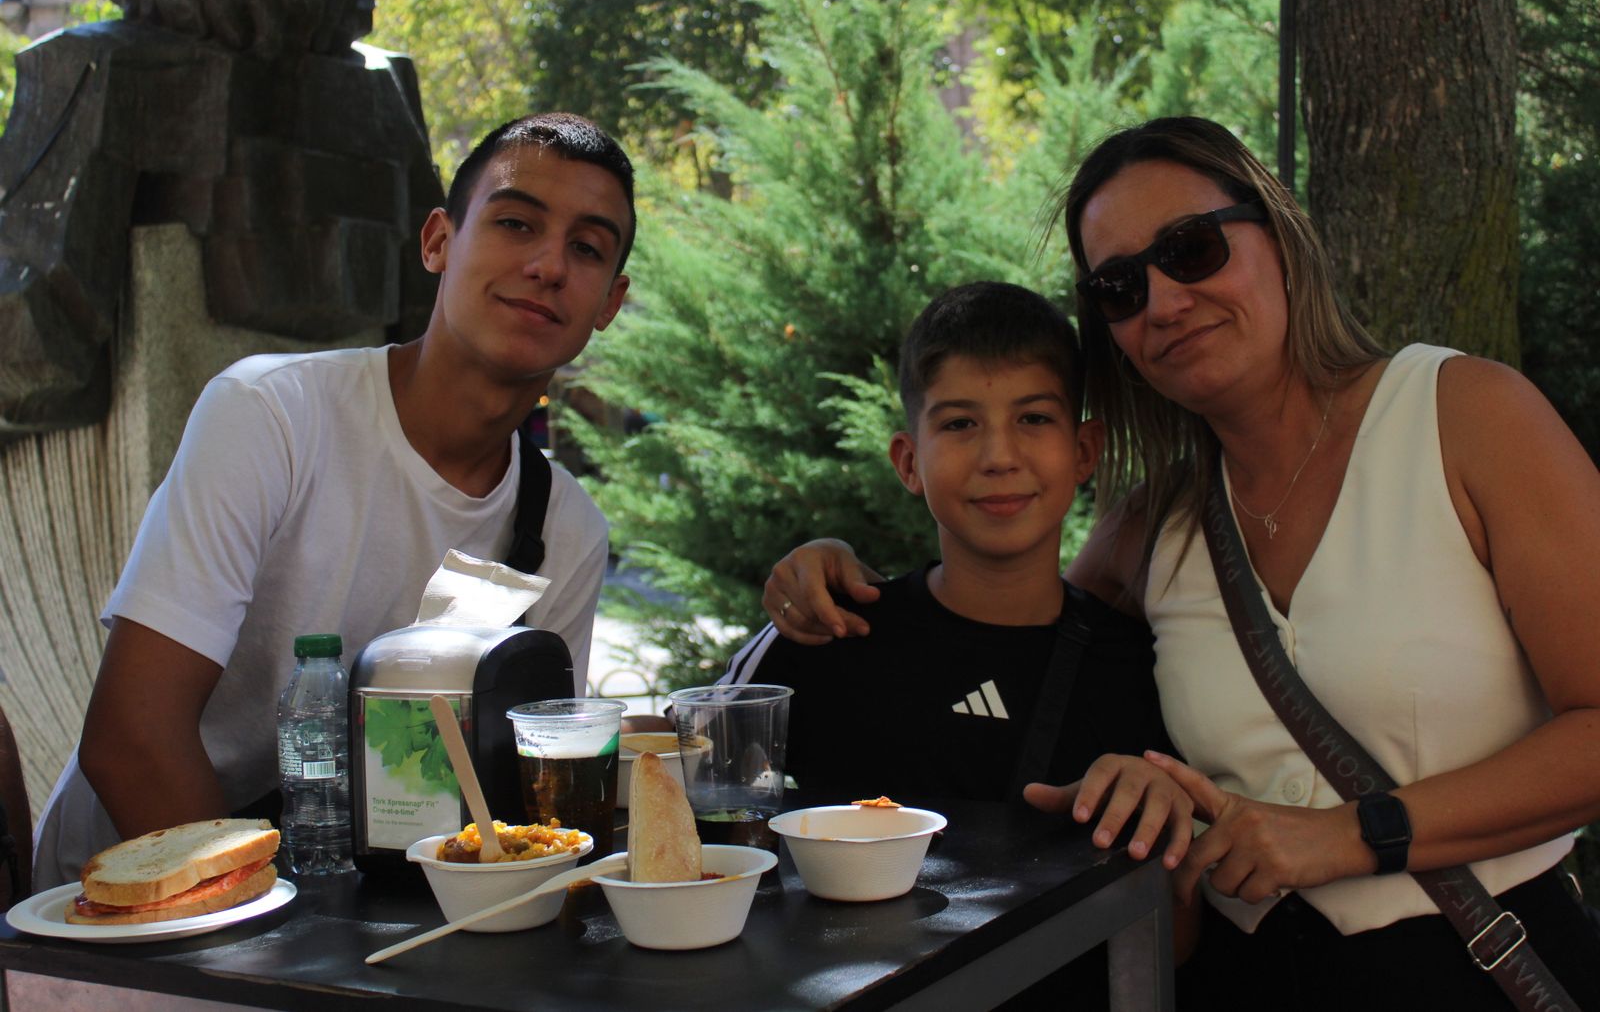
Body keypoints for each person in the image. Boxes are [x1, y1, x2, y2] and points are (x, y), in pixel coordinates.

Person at [763, 116, 1600, 1007]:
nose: (1163, 302)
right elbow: (1013, 636)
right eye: (1120, 286)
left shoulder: (1463, 416)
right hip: (1242, 986)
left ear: (1278, 235)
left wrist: (1351, 834)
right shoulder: (1150, 527)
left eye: (1192, 249)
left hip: (1475, 968)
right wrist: (839, 574)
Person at [33, 112, 635, 888]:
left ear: (610, 302)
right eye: (516, 223)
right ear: (438, 242)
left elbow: (528, 795)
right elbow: (132, 739)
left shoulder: (565, 530)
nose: (549, 265)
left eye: (586, 248)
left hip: (371, 902)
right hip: (132, 893)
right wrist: (271, 941)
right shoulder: (271, 415)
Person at [722, 282, 1177, 825]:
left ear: (1084, 451)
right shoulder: (827, 635)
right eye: (960, 423)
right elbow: (680, 772)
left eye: (1033, 418)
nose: (1000, 456)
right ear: (909, 462)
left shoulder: (1140, 668)